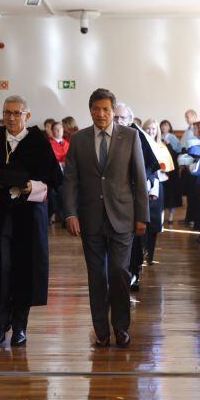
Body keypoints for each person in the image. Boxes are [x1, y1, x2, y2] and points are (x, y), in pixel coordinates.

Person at [0, 95, 62, 347]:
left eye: (16, 113)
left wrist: (32, 187)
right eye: (7, 113)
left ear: (27, 116)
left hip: (29, 216)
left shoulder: (38, 141)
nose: (11, 118)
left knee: (25, 269)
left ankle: (20, 326)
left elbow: (55, 179)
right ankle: (0, 324)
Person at [64, 88, 149, 348]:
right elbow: (70, 180)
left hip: (123, 217)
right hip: (90, 218)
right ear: (90, 110)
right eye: (96, 109)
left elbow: (139, 178)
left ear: (113, 111)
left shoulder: (130, 136)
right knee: (97, 276)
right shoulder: (79, 139)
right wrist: (70, 213)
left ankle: (121, 327)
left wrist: (142, 217)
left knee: (119, 273)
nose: (101, 114)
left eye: (106, 109)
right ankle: (101, 331)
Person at [114, 103, 159, 291]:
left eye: (122, 118)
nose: (118, 121)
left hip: (132, 195)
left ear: (130, 120)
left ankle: (133, 274)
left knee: (134, 238)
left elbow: (152, 165)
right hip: (112, 196)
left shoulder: (136, 135)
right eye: (116, 117)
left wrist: (139, 180)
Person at [142, 119, 175, 265]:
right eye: (148, 129)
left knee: (154, 221)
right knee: (142, 219)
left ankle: (150, 254)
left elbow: (167, 168)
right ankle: (141, 250)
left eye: (153, 129)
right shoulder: (140, 145)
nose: (151, 131)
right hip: (143, 186)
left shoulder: (162, 147)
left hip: (158, 185)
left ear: (158, 131)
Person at [159, 119, 182, 225]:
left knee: (172, 192)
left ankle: (171, 216)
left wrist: (168, 145)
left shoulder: (173, 137)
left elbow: (176, 153)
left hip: (172, 169)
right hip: (161, 168)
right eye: (162, 125)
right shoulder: (158, 137)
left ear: (169, 127)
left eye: (166, 125)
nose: (164, 127)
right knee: (163, 192)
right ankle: (161, 215)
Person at [47, 121, 69, 224]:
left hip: (67, 173)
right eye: (56, 129)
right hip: (54, 174)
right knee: (55, 194)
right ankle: (53, 215)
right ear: (52, 131)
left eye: (60, 129)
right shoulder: (49, 144)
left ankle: (66, 217)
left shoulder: (67, 143)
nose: (59, 131)